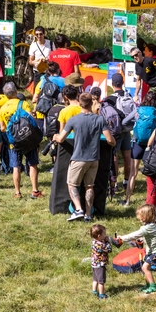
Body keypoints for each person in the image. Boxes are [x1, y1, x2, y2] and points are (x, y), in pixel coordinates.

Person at [53, 92, 115, 222]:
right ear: (92, 103)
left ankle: (78, 209)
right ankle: (88, 214)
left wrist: (55, 137)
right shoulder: (99, 119)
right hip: (94, 159)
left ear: (80, 103)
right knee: (89, 186)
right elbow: (110, 140)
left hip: (78, 158)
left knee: (72, 184)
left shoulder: (74, 120)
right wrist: (114, 142)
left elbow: (61, 138)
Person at [0, 81, 44, 200]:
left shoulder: (2, 109)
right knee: (32, 164)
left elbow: (2, 128)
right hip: (28, 138)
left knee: (16, 166)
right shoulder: (23, 103)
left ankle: (17, 192)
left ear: (5, 94)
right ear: (15, 92)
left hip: (14, 141)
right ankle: (35, 191)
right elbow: (31, 120)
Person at [114, 204, 156, 294]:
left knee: (145, 268)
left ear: (146, 216)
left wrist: (121, 238)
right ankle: (148, 285)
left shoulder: (148, 227)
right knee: (144, 268)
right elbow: (148, 236)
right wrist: (141, 239)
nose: (138, 217)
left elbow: (134, 234)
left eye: (140, 216)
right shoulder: (150, 226)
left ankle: (153, 286)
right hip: (151, 251)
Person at [122, 91, 156, 207]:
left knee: (133, 173)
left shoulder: (138, 110)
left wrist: (135, 126)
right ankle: (152, 202)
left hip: (137, 143)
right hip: (152, 144)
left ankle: (127, 200)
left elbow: (124, 121)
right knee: (153, 173)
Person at [107, 73, 132, 192]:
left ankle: (114, 183)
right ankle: (127, 181)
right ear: (123, 83)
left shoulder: (110, 99)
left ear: (112, 84)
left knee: (114, 157)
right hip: (127, 130)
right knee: (127, 156)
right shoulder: (129, 96)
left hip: (115, 131)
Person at [32, 61, 66, 131]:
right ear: (58, 70)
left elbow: (42, 91)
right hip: (59, 105)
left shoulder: (45, 79)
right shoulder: (63, 80)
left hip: (47, 104)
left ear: (49, 71)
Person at [90, 224, 113, 299]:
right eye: (104, 233)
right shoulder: (101, 244)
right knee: (101, 281)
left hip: (94, 264)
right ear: (99, 235)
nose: (105, 235)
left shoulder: (94, 242)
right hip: (100, 265)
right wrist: (107, 241)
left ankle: (94, 291)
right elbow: (109, 249)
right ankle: (101, 294)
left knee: (95, 279)